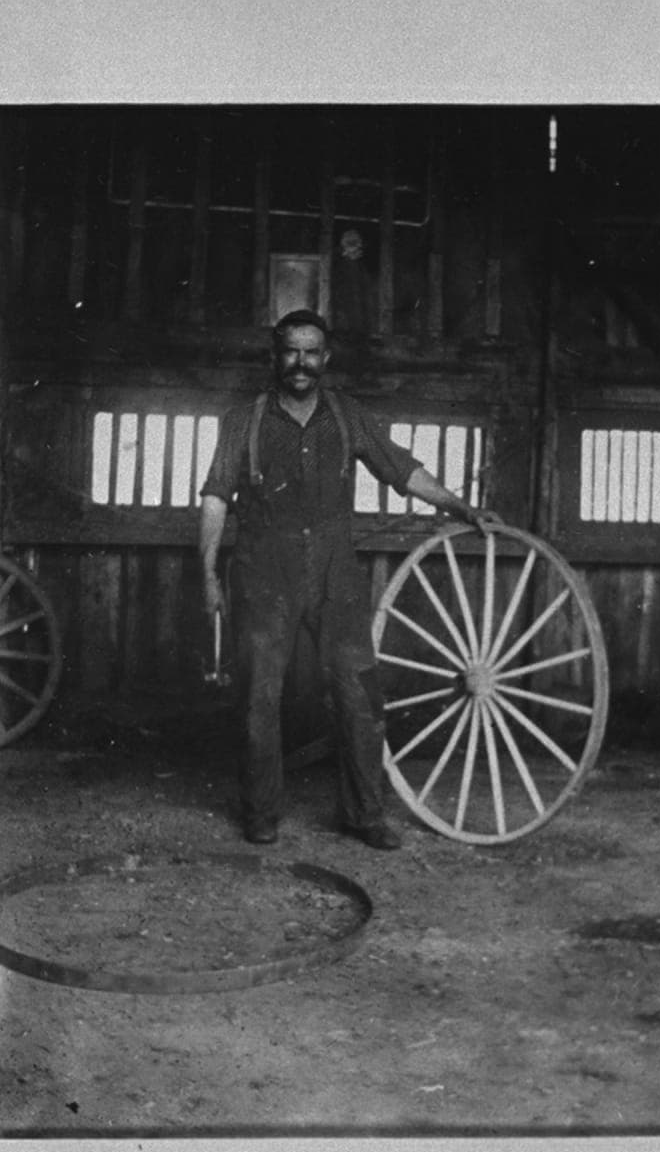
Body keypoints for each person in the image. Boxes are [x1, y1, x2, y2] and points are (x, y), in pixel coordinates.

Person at [199, 309, 499, 849]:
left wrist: (461, 508)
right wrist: (208, 579)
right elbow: (216, 498)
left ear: (326, 358)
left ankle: (363, 814)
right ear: (275, 356)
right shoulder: (242, 420)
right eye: (291, 351)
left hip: (336, 575)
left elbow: (404, 471)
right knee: (257, 700)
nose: (301, 363)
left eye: (311, 352)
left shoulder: (347, 416)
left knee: (360, 694)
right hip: (263, 574)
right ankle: (261, 814)